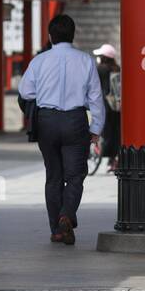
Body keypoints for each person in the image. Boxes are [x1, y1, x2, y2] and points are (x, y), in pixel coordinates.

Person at [19, 14, 106, 244]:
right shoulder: (85, 60)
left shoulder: (39, 61)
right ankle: (66, 215)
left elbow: (26, 92)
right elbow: (96, 98)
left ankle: (57, 229)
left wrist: (46, 93)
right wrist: (96, 127)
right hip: (75, 120)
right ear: (73, 35)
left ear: (50, 36)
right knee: (76, 175)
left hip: (46, 121)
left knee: (53, 176)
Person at [93, 43, 121, 175]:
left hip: (105, 106)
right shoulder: (117, 68)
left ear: (104, 57)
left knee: (106, 133)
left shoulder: (100, 69)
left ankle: (105, 154)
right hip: (117, 105)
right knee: (116, 133)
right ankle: (114, 160)